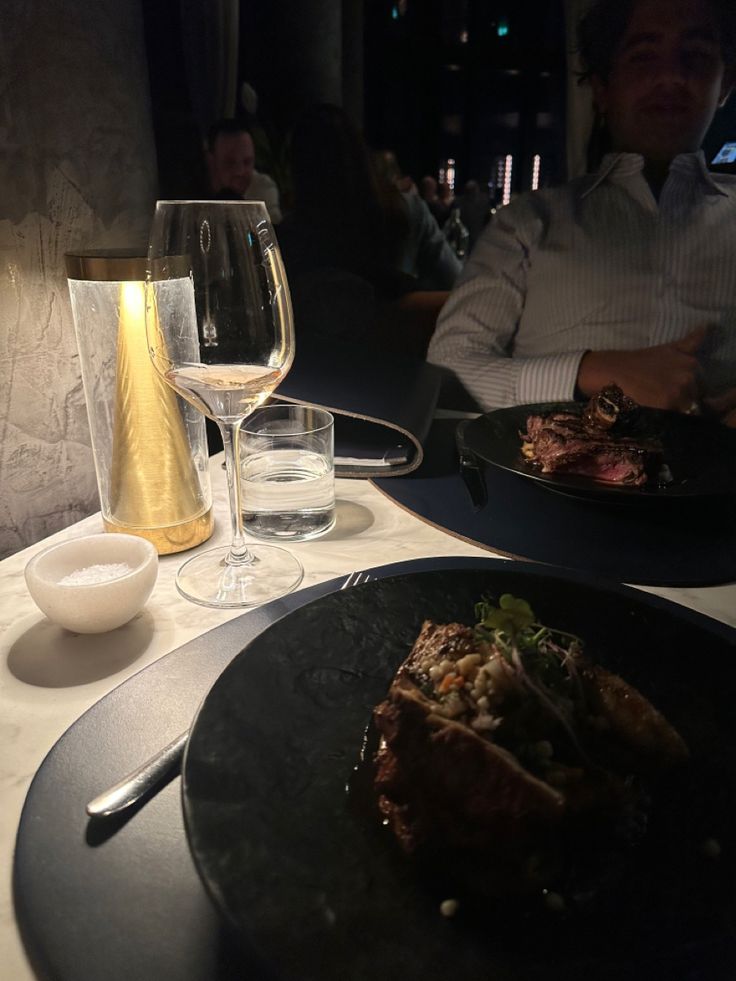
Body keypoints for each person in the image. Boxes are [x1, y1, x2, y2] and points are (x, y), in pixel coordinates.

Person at [427, 0, 736, 424]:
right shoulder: (528, 221)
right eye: (643, 56)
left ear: (724, 85)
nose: (670, 76)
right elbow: (448, 364)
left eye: (696, 57)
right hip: (544, 478)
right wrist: (591, 371)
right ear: (603, 88)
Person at [206, 118, 282, 222]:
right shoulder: (191, 194)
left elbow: (274, 233)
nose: (240, 172)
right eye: (230, 163)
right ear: (211, 161)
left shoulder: (262, 190)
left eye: (247, 162)